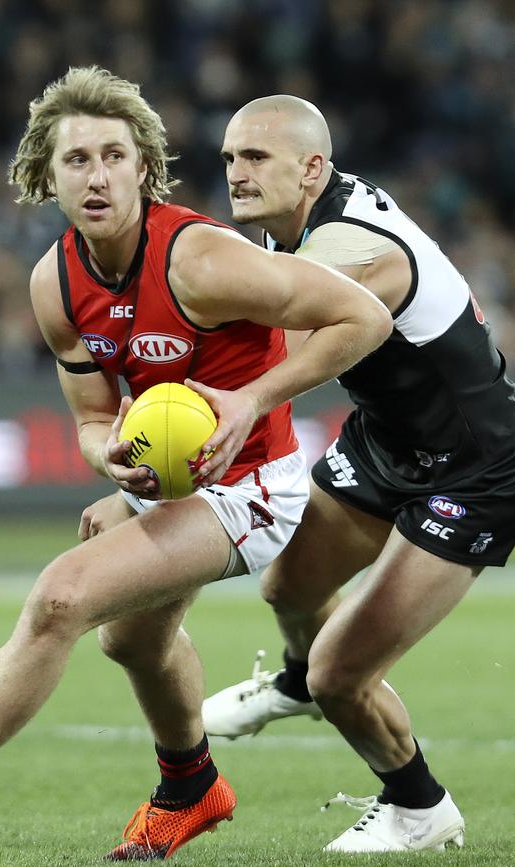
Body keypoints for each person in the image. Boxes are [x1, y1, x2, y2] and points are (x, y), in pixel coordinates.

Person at [0, 70, 391, 860]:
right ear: (47, 176)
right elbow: (90, 418)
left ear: (143, 167)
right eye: (77, 160)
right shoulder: (55, 283)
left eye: (115, 155)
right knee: (131, 642)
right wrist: (110, 460)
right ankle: (190, 787)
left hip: (254, 482)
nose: (98, 175)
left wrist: (252, 397)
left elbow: (364, 314)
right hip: (178, 480)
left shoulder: (201, 260)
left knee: (60, 597)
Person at [199, 95, 515, 852]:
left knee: (341, 673)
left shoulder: (351, 245)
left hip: (477, 467)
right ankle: (293, 681)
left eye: (255, 158)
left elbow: (286, 328)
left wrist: (239, 399)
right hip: (388, 439)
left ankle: (419, 806)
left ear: (312, 167)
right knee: (287, 587)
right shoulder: (297, 225)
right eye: (230, 159)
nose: (236, 174)